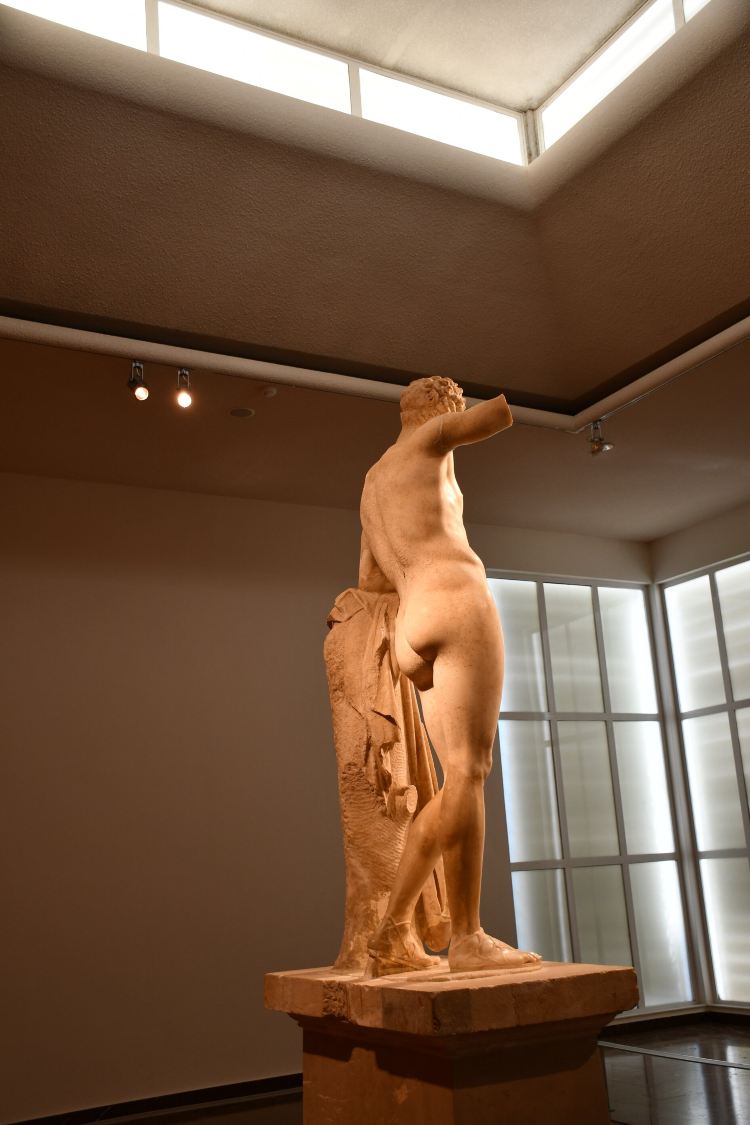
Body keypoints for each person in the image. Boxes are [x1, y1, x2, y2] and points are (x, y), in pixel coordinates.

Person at [360, 375, 541, 975]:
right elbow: (493, 418)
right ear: (438, 410)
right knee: (470, 772)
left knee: (455, 782)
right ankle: (467, 937)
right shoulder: (429, 439)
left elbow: (370, 581)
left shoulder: (373, 482)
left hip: (413, 620)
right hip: (458, 603)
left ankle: (393, 932)